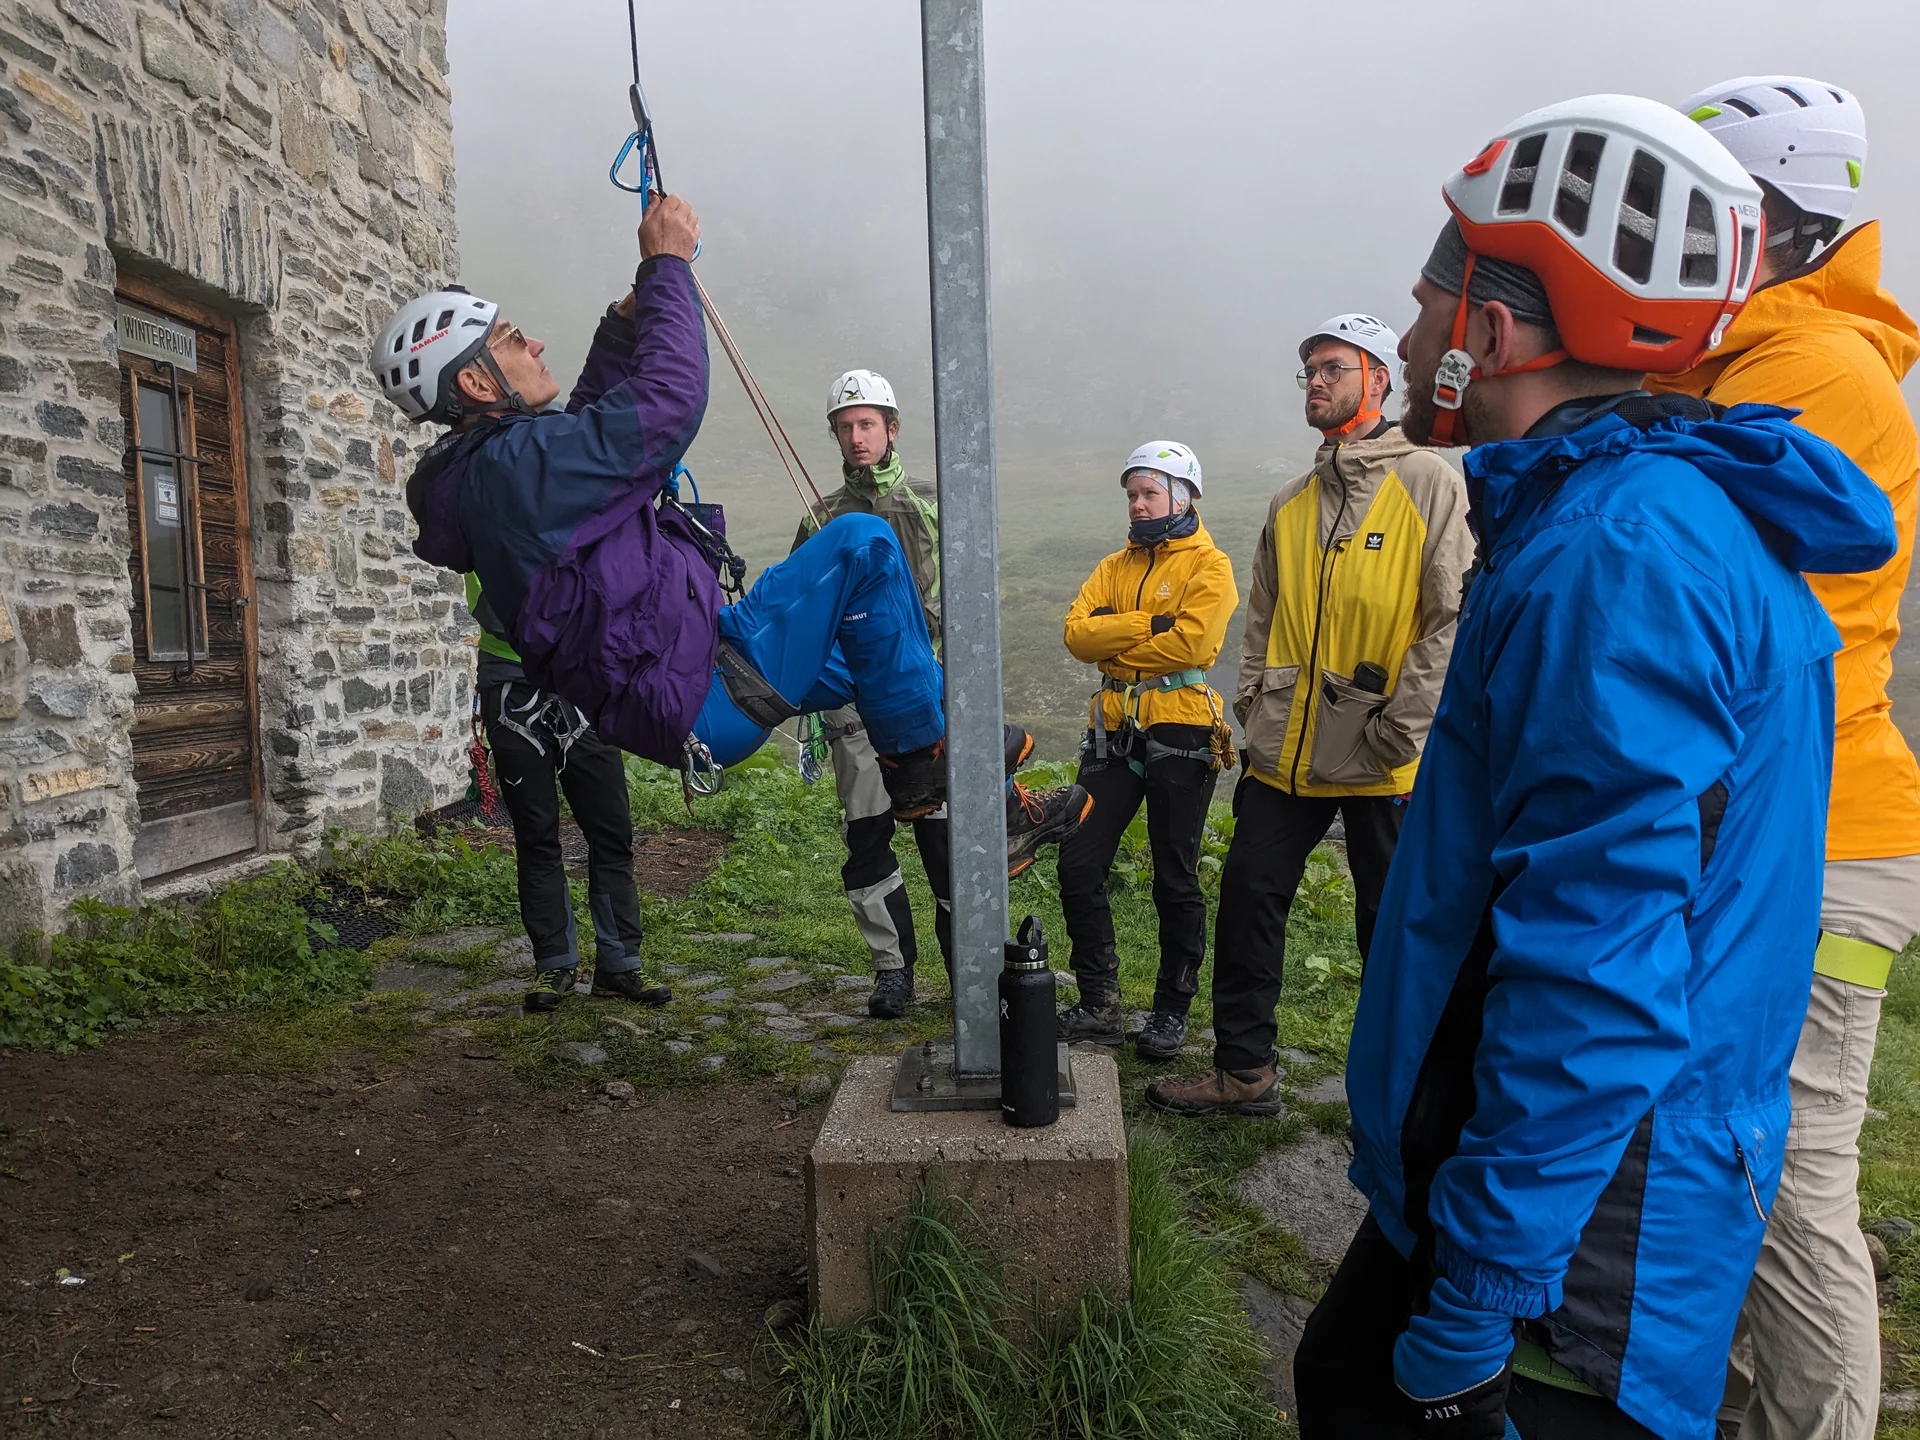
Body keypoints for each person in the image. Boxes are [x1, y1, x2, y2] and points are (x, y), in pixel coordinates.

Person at [1290, 95, 1897, 1439]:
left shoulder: (1617, 557)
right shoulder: (1625, 509)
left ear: (1493, 338)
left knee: (1355, 1389)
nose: (1410, 340)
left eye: (1428, 307)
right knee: (1336, 1374)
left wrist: (1478, 1304)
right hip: (1551, 1171)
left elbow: (1598, 970)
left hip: (1588, 1231)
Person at [375, 196, 1089, 894]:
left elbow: (588, 429)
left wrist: (624, 325)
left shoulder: (501, 474)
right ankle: (926, 774)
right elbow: (665, 408)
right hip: (701, 691)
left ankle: (992, 811)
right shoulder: (509, 471)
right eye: (510, 339)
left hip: (699, 658)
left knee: (896, 657)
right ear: (476, 381)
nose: (532, 344)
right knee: (863, 544)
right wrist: (665, 266)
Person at [1646, 76, 1919, 1440]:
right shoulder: (1757, 354)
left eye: (1706, 213)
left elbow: (1680, 559)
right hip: (1793, 823)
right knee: (1734, 1154)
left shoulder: (1807, 368)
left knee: (1791, 1168)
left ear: (1781, 221)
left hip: (1828, 836)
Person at [1145, 315, 1472, 1117]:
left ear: (1379, 379)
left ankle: (1406, 1098)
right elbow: (1262, 620)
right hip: (1283, 752)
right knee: (1248, 903)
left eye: (1333, 368)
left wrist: (1400, 730)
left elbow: (1449, 620)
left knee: (1389, 930)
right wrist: (1255, 706)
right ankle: (1244, 1073)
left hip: (1382, 758)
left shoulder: (1429, 482)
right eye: (1310, 372)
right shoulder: (1291, 501)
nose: (1316, 382)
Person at [792, 370, 966, 1021]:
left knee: (944, 841)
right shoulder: (819, 517)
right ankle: (892, 970)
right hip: (852, 703)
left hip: (927, 696)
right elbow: (802, 611)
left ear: (892, 429)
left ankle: (966, 969)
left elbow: (968, 594)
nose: (856, 436)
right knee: (867, 836)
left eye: (867, 423)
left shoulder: (934, 503)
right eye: (845, 426)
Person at [1054, 442, 1235, 1058]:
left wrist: (1114, 634)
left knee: (1174, 874)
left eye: (1149, 492)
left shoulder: (1210, 566)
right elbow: (1077, 636)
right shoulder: (1113, 565)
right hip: (1114, 726)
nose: (1137, 504)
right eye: (1132, 494)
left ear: (1182, 497)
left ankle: (1170, 1011)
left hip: (1182, 727)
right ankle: (1099, 1004)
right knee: (1079, 862)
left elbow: (1193, 645)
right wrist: (1147, 626)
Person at [466, 574, 672, 1012]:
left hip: (584, 680)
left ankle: (619, 965)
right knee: (536, 835)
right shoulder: (487, 527)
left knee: (611, 830)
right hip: (512, 683)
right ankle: (554, 963)